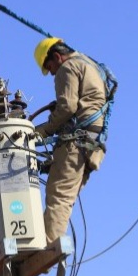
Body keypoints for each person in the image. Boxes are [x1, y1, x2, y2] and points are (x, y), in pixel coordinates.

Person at [30, 38, 109, 245]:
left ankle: (46, 249)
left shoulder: (67, 68)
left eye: (50, 67)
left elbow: (67, 108)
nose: (53, 74)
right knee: (65, 199)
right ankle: (49, 245)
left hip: (76, 144)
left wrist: (40, 132)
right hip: (92, 146)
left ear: (57, 57)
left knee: (58, 196)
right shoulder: (87, 65)